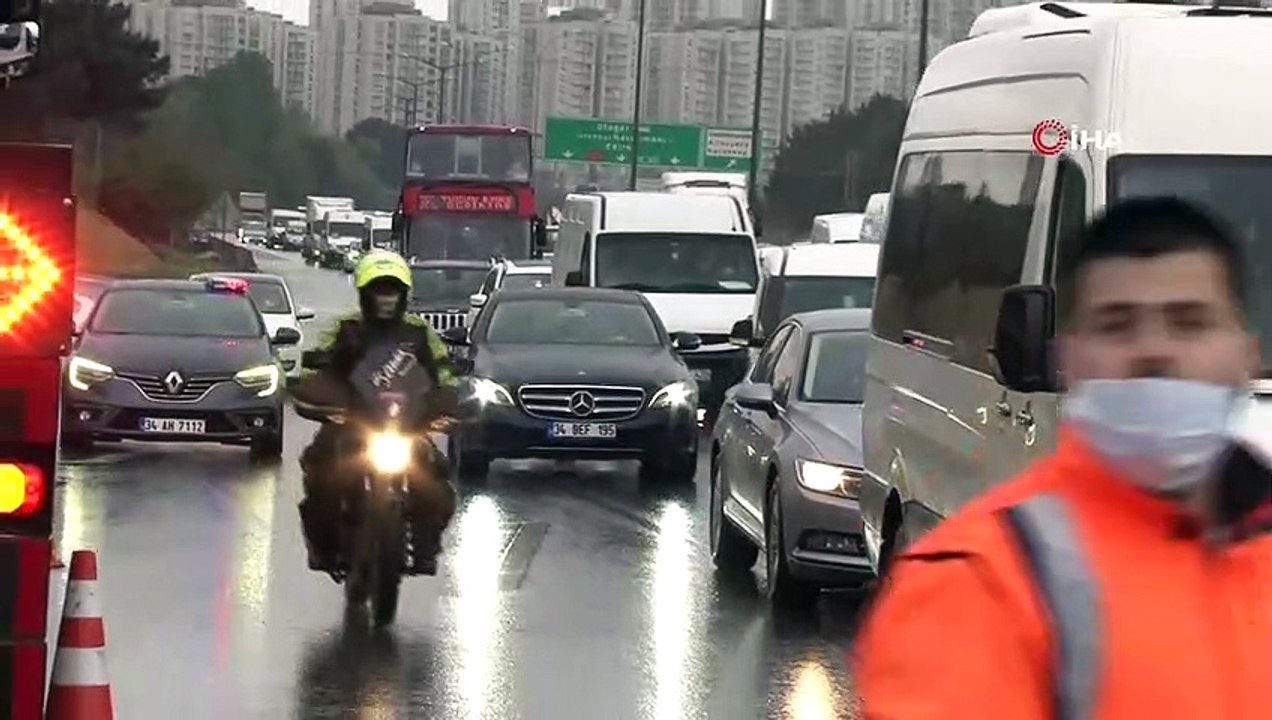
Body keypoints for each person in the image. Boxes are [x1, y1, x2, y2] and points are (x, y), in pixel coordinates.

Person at [854, 197, 1272, 718]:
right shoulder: (977, 585)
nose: (1154, 351)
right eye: (1117, 325)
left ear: (1246, 352)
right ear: (1068, 358)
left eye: (1190, 322)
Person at [296, 250, 461, 576]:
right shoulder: (344, 327)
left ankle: (426, 548)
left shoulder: (419, 331)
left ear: (404, 293)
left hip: (405, 423)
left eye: (392, 290)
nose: (386, 297)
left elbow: (443, 371)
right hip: (352, 420)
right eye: (378, 289)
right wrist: (318, 393)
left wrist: (449, 400)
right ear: (363, 292)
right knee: (320, 468)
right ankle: (324, 547)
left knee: (436, 477)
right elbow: (314, 366)